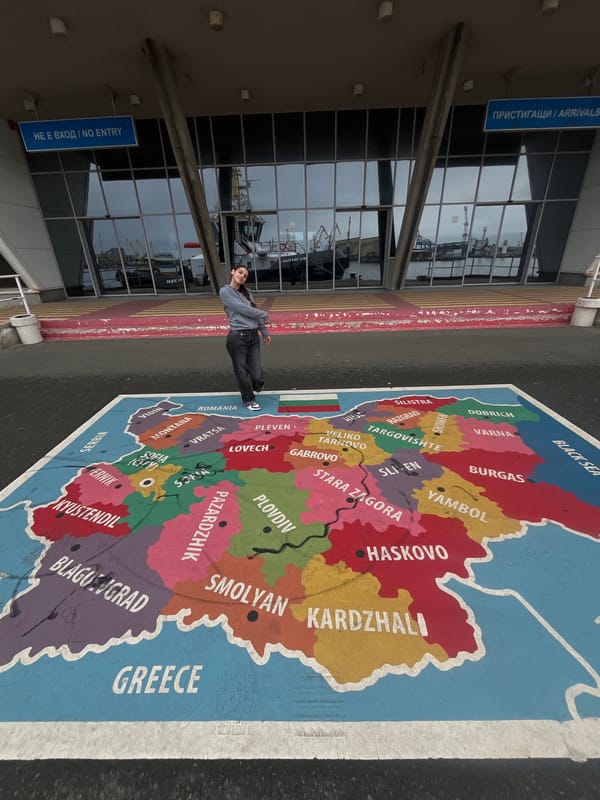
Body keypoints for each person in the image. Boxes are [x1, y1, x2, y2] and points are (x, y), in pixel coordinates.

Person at [219, 266, 271, 411]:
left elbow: (253, 312)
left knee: (257, 375)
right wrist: (263, 314)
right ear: (233, 272)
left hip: (253, 337)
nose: (242, 276)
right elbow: (243, 309)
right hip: (237, 337)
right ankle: (249, 400)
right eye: (240, 272)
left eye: (245, 276)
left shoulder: (247, 293)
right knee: (241, 371)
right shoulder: (225, 292)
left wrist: (264, 332)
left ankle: (257, 384)